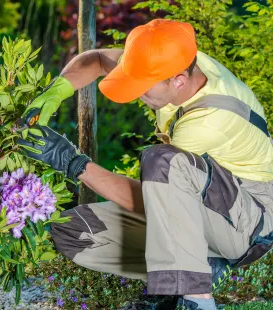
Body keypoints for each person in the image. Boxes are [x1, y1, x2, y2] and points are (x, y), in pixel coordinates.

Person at [17, 19, 273, 310]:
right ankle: (204, 266)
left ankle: (197, 299)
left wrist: (72, 162)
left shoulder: (208, 121)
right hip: (203, 208)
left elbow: (154, 201)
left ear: (178, 80)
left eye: (142, 86)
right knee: (73, 230)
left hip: (249, 225)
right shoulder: (175, 59)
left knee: (161, 160)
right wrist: (53, 94)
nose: (136, 93)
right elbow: (98, 59)